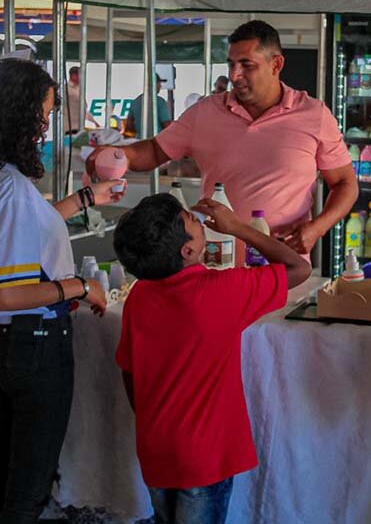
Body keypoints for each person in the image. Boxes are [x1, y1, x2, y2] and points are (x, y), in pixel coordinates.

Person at [0, 59, 123, 523]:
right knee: (26, 493)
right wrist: (81, 286)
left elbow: (25, 231)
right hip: (32, 345)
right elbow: (9, 292)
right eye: (42, 115)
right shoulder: (7, 187)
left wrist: (87, 200)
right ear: (18, 113)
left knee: (3, 481)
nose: (45, 127)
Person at [113, 193, 310, 524]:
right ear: (187, 250)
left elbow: (128, 371)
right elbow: (298, 268)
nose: (199, 219)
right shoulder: (222, 290)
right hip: (205, 455)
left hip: (156, 448)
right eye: (192, 219)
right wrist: (239, 228)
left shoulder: (139, 296)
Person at [96, 20, 358, 259]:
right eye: (231, 64)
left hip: (281, 263)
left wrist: (317, 228)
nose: (235, 75)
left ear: (276, 64)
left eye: (247, 65)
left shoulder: (313, 115)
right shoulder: (205, 112)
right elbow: (155, 149)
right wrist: (119, 156)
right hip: (215, 258)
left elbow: (345, 183)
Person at [65, 66, 100, 134]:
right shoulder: (67, 90)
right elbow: (80, 109)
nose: (82, 77)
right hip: (70, 129)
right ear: (74, 75)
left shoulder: (79, 89)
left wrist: (95, 122)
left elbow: (83, 110)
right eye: (80, 75)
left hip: (79, 127)